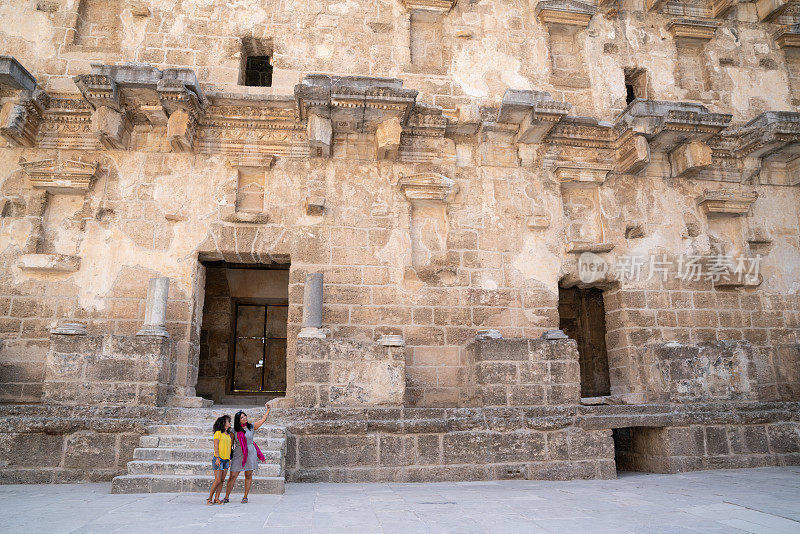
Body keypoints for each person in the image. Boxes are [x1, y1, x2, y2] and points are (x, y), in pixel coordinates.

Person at [223, 402, 271, 503]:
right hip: (238, 453)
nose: (244, 418)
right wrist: (228, 457)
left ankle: (245, 496)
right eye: (241, 417)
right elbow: (230, 444)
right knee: (232, 476)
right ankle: (226, 496)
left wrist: (268, 410)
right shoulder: (234, 431)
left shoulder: (251, 427)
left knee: (248, 475)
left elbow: (262, 420)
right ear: (238, 420)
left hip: (250, 452)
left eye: (244, 416)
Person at [208, 415, 232, 505]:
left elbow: (228, 448)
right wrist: (217, 458)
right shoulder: (218, 433)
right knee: (217, 480)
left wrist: (229, 459)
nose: (230, 422)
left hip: (226, 460)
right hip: (219, 459)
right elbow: (216, 446)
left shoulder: (228, 434)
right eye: (228, 421)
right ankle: (209, 498)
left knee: (222, 480)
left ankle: (216, 498)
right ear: (223, 423)